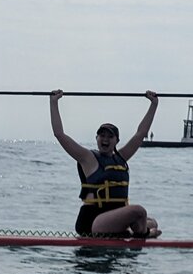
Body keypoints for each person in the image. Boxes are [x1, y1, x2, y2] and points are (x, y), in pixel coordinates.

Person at [51, 90, 161, 237]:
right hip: (93, 222)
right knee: (139, 212)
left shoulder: (120, 158)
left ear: (117, 141)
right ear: (96, 138)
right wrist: (53, 102)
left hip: (114, 218)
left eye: (110, 136)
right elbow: (59, 134)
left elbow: (141, 133)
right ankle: (145, 234)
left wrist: (154, 104)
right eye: (102, 135)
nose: (105, 139)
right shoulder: (87, 158)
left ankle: (135, 230)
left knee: (151, 221)